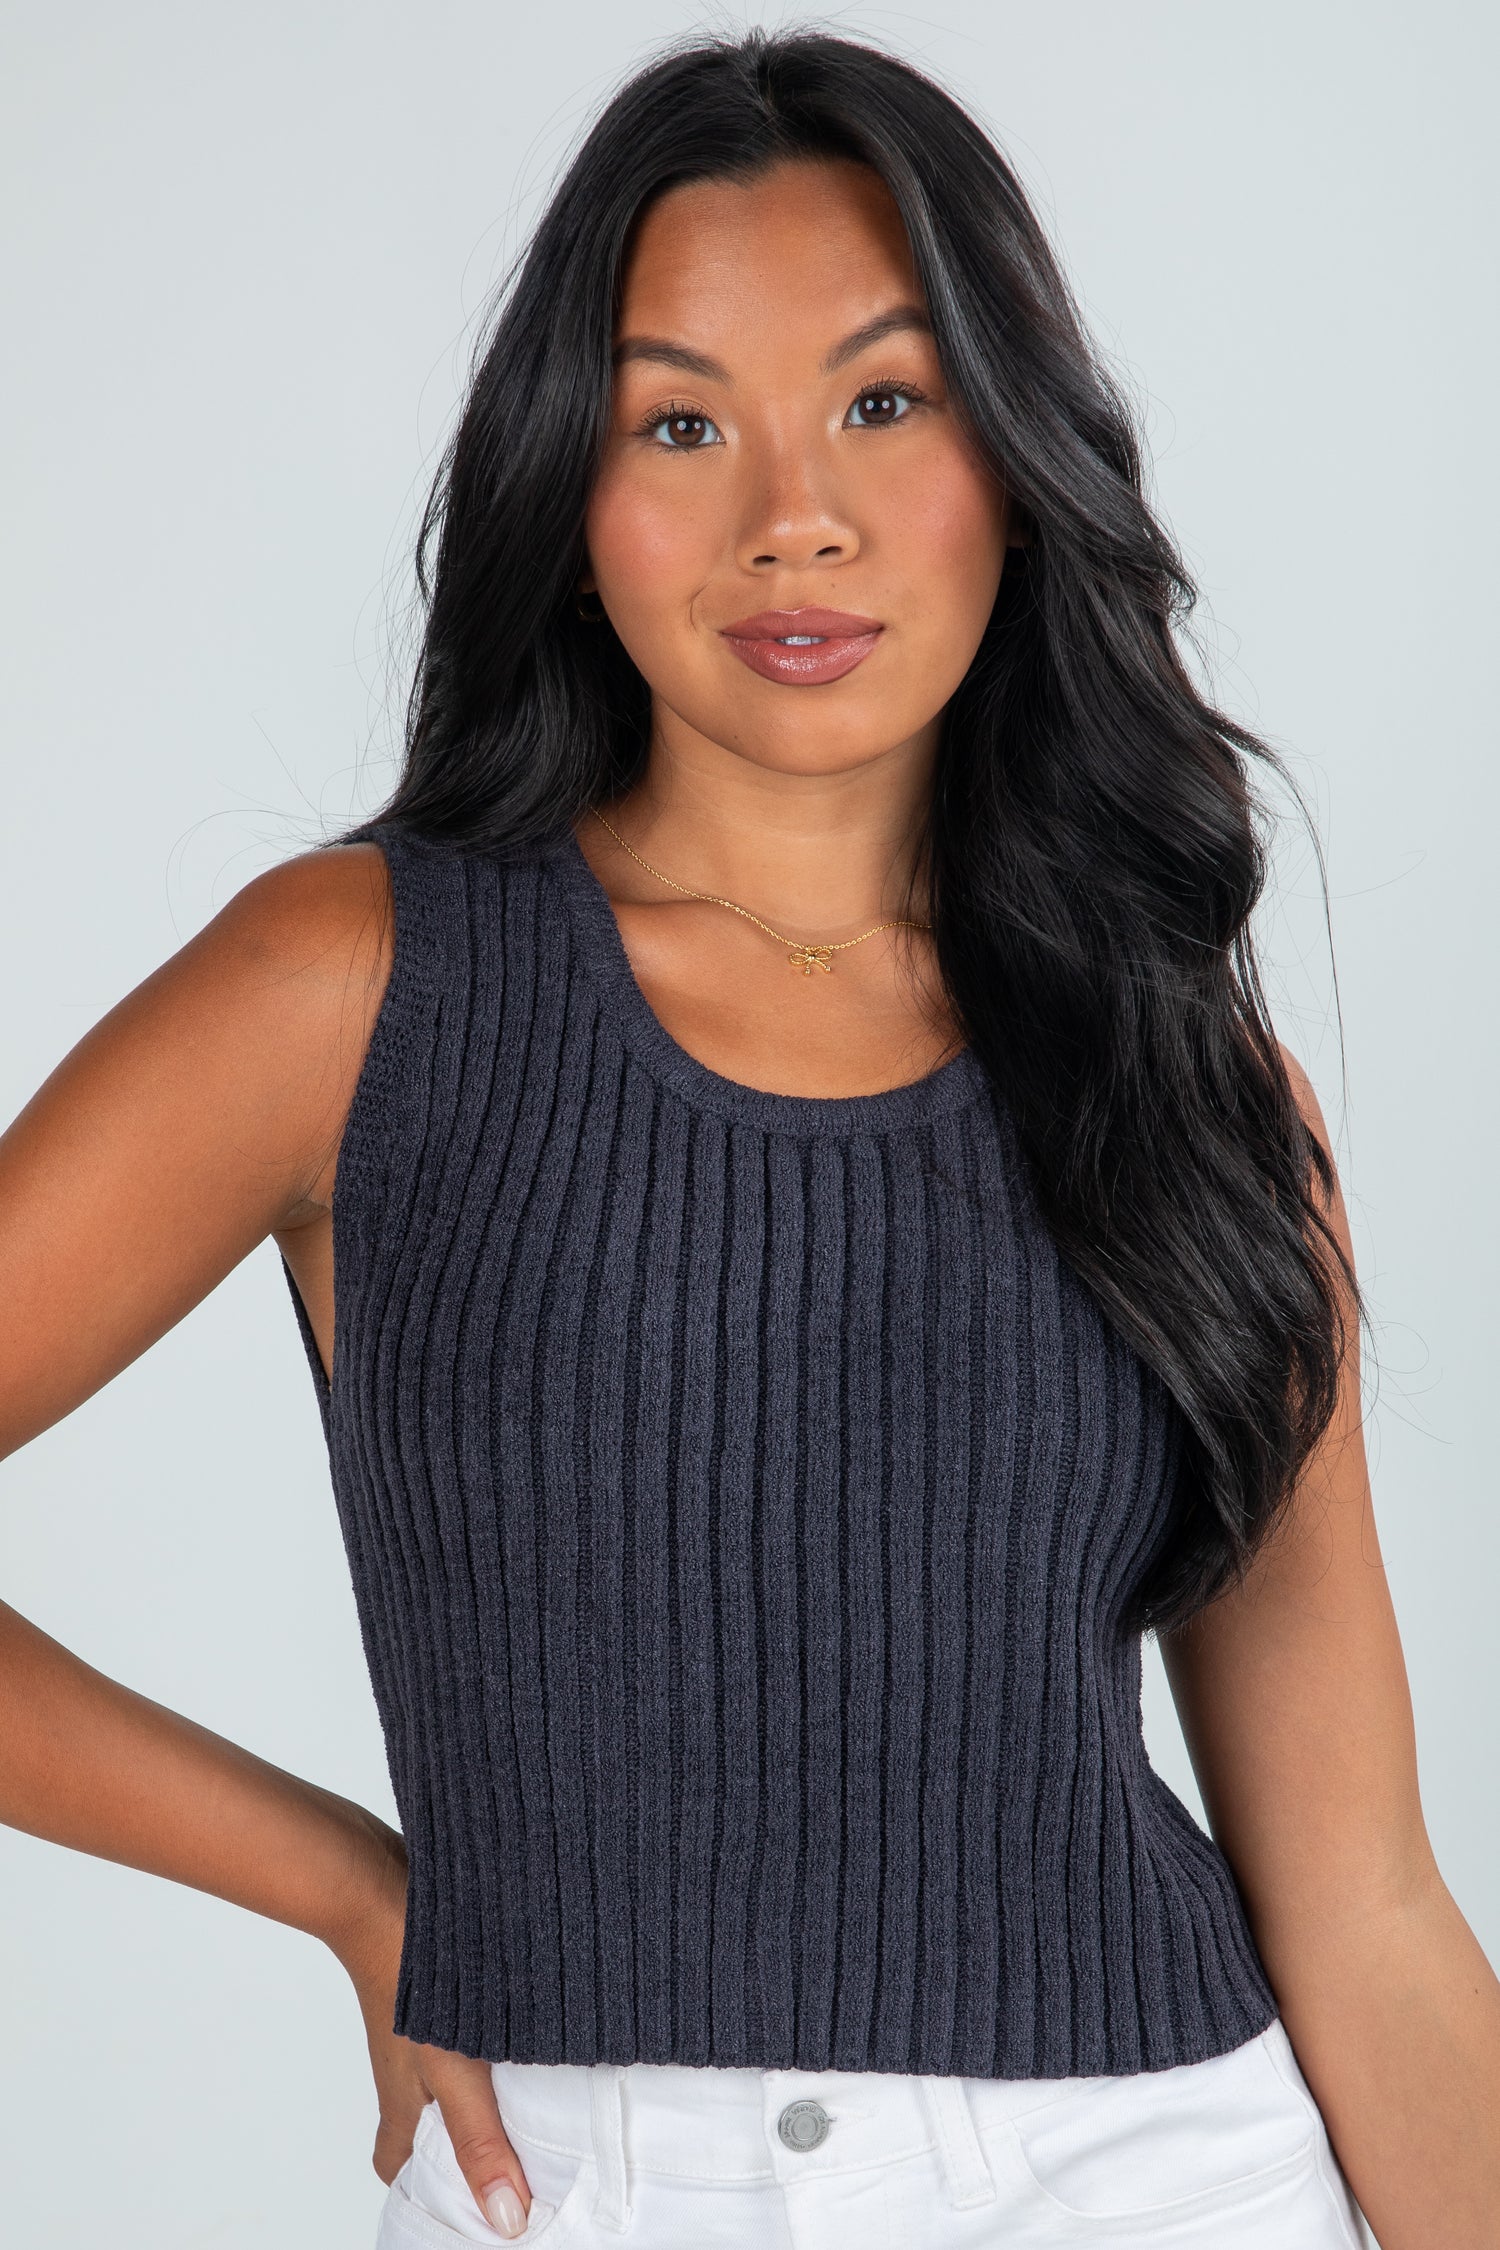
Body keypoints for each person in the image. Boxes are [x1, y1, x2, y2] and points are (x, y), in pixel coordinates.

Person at [2, 25, 1496, 2249]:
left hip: (1165, 2179)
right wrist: (343, 1880)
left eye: (885, 401)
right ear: (567, 494)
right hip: (594, 2187)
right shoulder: (359, 987)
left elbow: (1365, 1904)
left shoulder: (1181, 1068)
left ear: (1014, 449)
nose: (792, 510)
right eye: (679, 421)